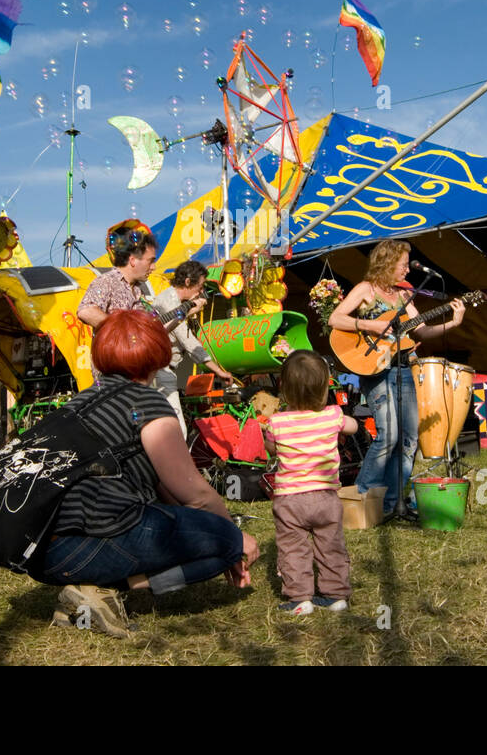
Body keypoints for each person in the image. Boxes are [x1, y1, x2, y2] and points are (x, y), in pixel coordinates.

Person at [31, 309, 260, 638]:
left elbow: (161, 487)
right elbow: (195, 493)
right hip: (89, 544)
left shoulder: (79, 403)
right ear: (157, 353)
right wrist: (234, 537)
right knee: (225, 545)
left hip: (43, 551)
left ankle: (82, 593)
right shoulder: (148, 403)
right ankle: (108, 589)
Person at [327, 240, 465, 520]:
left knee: (409, 439)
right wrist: (370, 324)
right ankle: (363, 502)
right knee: (388, 436)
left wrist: (453, 322)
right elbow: (335, 318)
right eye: (403, 264)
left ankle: (392, 504)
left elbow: (422, 332)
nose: (406, 270)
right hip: (376, 369)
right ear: (387, 263)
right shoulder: (365, 290)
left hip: (403, 369)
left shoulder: (403, 297)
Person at [264, 350, 357, 615]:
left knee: (293, 548)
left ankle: (299, 598)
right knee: (331, 545)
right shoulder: (332, 416)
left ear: (285, 389)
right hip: (326, 498)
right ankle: (336, 594)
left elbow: (271, 449)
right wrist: (345, 423)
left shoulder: (277, 422)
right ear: (324, 387)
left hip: (290, 499)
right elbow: (353, 427)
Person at [150, 260, 234, 429]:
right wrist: (218, 371)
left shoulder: (176, 302)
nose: (201, 291)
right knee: (178, 429)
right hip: (161, 371)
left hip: (162, 371)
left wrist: (191, 311)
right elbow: (188, 342)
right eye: (201, 286)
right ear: (188, 282)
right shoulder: (168, 301)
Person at [77, 219, 158, 329]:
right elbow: (86, 311)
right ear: (133, 260)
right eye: (151, 261)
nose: (154, 267)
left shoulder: (139, 290)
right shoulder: (107, 281)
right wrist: (121, 330)